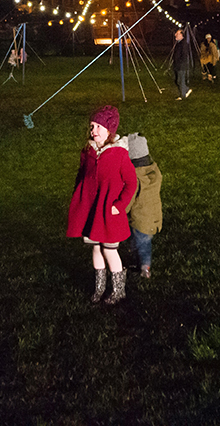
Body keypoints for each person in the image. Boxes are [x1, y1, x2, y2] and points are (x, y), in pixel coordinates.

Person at [67, 106, 138, 305]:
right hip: (91, 210)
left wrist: (120, 204)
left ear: (109, 130)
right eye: (92, 126)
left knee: (109, 249)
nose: (93, 131)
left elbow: (132, 182)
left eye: (98, 126)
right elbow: (81, 176)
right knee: (96, 249)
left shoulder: (119, 154)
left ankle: (118, 290)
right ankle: (99, 287)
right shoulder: (88, 152)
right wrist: (78, 198)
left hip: (109, 212)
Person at [125, 133, 162, 279]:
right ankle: (141, 264)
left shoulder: (135, 177)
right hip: (154, 215)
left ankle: (144, 267)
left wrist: (122, 210)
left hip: (140, 218)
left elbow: (130, 197)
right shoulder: (154, 172)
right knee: (144, 242)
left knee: (141, 243)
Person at [172, 28, 194, 100]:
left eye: (177, 34)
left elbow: (184, 55)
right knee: (178, 80)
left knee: (180, 80)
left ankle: (183, 95)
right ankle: (186, 90)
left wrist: (180, 64)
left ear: (182, 35)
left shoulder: (183, 44)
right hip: (178, 65)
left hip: (181, 65)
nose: (175, 35)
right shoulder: (178, 43)